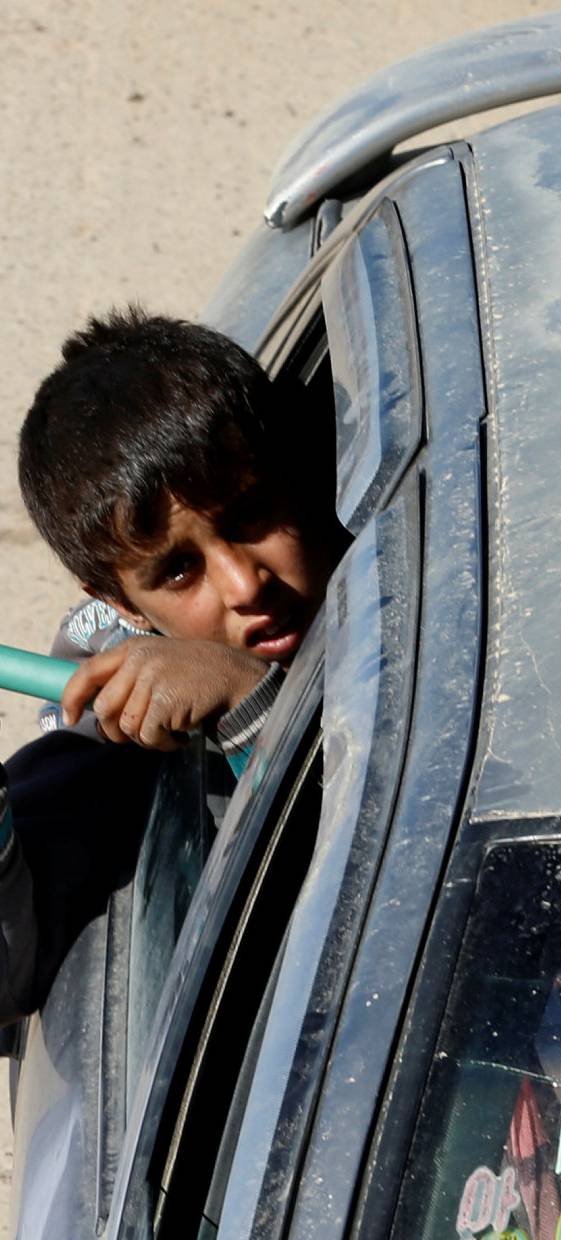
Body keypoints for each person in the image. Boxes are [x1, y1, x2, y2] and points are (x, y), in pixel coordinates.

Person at [0, 308, 344, 1025]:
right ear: (119, 603)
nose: (245, 584)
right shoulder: (113, 719)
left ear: (302, 474)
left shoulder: (422, 568)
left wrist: (253, 699)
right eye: (180, 571)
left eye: (252, 517)